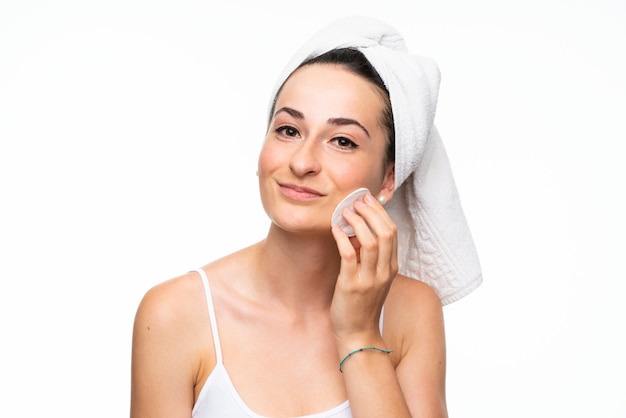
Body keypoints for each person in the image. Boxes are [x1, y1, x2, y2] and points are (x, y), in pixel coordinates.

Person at [130, 16, 481, 418]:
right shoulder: (175, 313)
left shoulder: (411, 312)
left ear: (388, 179)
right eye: (288, 130)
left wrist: (359, 334)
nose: (302, 162)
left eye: (342, 141)